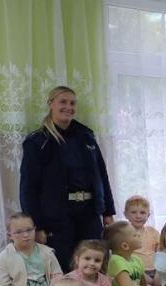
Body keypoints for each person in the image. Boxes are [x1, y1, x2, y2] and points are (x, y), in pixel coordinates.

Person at [20, 86, 116, 271]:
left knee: (92, 268)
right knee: (63, 270)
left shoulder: (86, 137)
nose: (68, 107)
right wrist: (37, 226)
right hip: (57, 217)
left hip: (89, 214)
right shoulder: (38, 141)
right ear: (51, 104)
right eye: (63, 102)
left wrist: (108, 212)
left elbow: (101, 175)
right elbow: (28, 188)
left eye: (72, 103)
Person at [104, 221, 160, 286]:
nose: (138, 235)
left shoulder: (137, 260)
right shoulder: (116, 261)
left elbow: (144, 285)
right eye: (135, 235)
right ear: (125, 246)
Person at [124, 195, 160, 285]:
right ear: (126, 214)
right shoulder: (123, 234)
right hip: (136, 270)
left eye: (142, 213)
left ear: (148, 215)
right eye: (133, 212)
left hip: (155, 270)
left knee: (161, 284)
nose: (138, 216)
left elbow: (161, 253)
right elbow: (123, 258)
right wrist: (140, 273)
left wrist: (159, 272)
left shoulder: (153, 232)